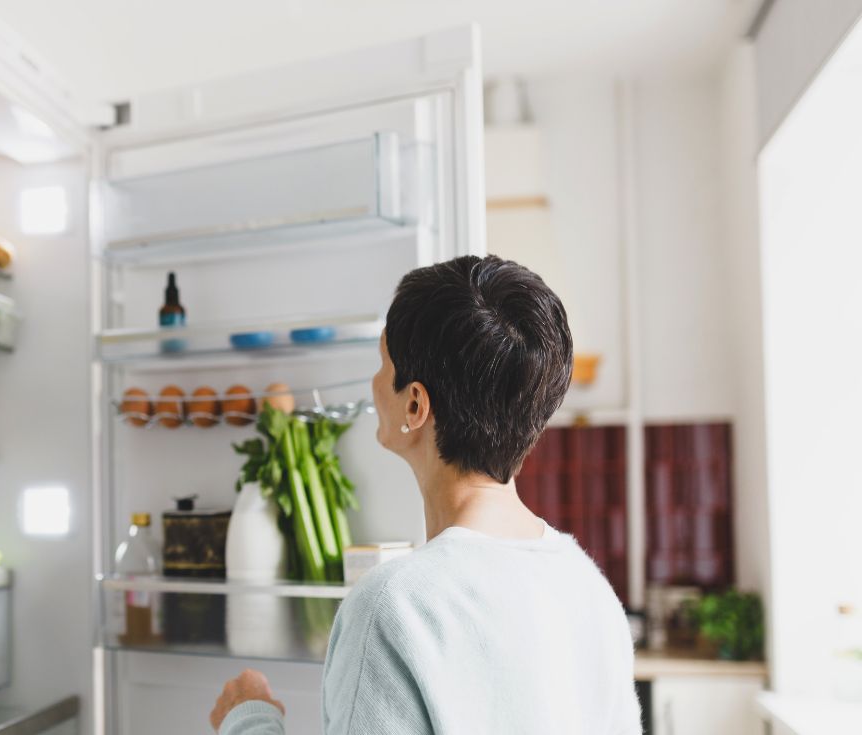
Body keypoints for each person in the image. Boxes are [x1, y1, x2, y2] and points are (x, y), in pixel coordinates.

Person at [210, 255, 641, 734]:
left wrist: (247, 719)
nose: (374, 385)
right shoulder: (588, 586)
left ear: (414, 404)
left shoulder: (395, 607)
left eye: (382, 364)